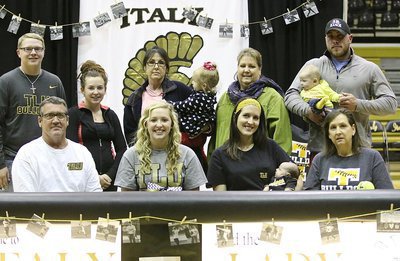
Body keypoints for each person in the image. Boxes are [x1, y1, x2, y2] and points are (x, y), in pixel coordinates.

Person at [285, 18, 397, 161]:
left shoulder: (369, 68)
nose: (335, 40)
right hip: (321, 149)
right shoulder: (313, 65)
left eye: (340, 36)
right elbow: (290, 95)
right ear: (325, 39)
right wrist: (308, 111)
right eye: (331, 36)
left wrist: (357, 104)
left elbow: (391, 104)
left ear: (350, 38)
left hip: (358, 149)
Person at [123, 46, 207, 173]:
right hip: (146, 161)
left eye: (161, 62)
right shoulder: (134, 99)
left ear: (167, 68)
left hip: (179, 158)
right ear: (145, 67)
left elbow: (202, 113)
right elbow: (131, 134)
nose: (156, 66)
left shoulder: (181, 90)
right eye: (151, 62)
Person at [0, 33, 66, 191]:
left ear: (44, 51)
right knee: (17, 212)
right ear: (18, 52)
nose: (33, 53)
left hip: (49, 157)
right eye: (28, 49)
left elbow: (63, 121)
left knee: (48, 210)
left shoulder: (54, 82)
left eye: (38, 49)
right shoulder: (5, 82)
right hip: (12, 158)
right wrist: (0, 164)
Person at [208, 48, 292, 157]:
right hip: (224, 166)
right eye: (242, 66)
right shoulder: (225, 98)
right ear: (237, 68)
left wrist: (280, 167)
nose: (246, 70)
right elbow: (215, 138)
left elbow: (282, 140)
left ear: (260, 69)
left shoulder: (273, 98)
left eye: (252, 66)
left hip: (258, 168)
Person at [11, 96, 102, 192]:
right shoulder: (26, 155)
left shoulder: (82, 153)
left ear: (67, 120)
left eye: (60, 115)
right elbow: (25, 202)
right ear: (40, 121)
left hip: (79, 207)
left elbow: (95, 194)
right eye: (49, 115)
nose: (55, 121)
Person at [115, 101, 207, 191]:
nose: (159, 125)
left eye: (164, 120)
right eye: (153, 120)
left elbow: (193, 199)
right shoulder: (131, 155)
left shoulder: (188, 155)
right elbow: (127, 199)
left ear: (172, 124)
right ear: (146, 124)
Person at [67, 60, 127, 191]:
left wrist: (110, 175)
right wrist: (94, 177)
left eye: (100, 88)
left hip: (109, 181)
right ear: (82, 90)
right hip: (83, 180)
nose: (96, 92)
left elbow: (122, 150)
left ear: (105, 90)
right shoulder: (73, 114)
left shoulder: (110, 115)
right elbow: (71, 152)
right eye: (91, 88)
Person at [207, 98, 291, 191]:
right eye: (246, 116)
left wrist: (289, 192)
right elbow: (221, 200)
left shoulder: (271, 146)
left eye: (255, 118)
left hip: (270, 204)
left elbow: (296, 176)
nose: (250, 122)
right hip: (236, 205)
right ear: (236, 117)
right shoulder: (219, 156)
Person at [304, 109, 394, 190]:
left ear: (353, 129)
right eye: (333, 128)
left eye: (343, 126)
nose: (338, 132)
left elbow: (387, 196)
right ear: (329, 134)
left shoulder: (372, 157)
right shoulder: (319, 160)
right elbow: (309, 199)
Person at [169, 61, 219, 172]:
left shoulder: (199, 98)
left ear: (204, 85)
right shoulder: (208, 95)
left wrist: (171, 104)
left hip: (192, 131)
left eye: (194, 81)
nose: (192, 83)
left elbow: (185, 105)